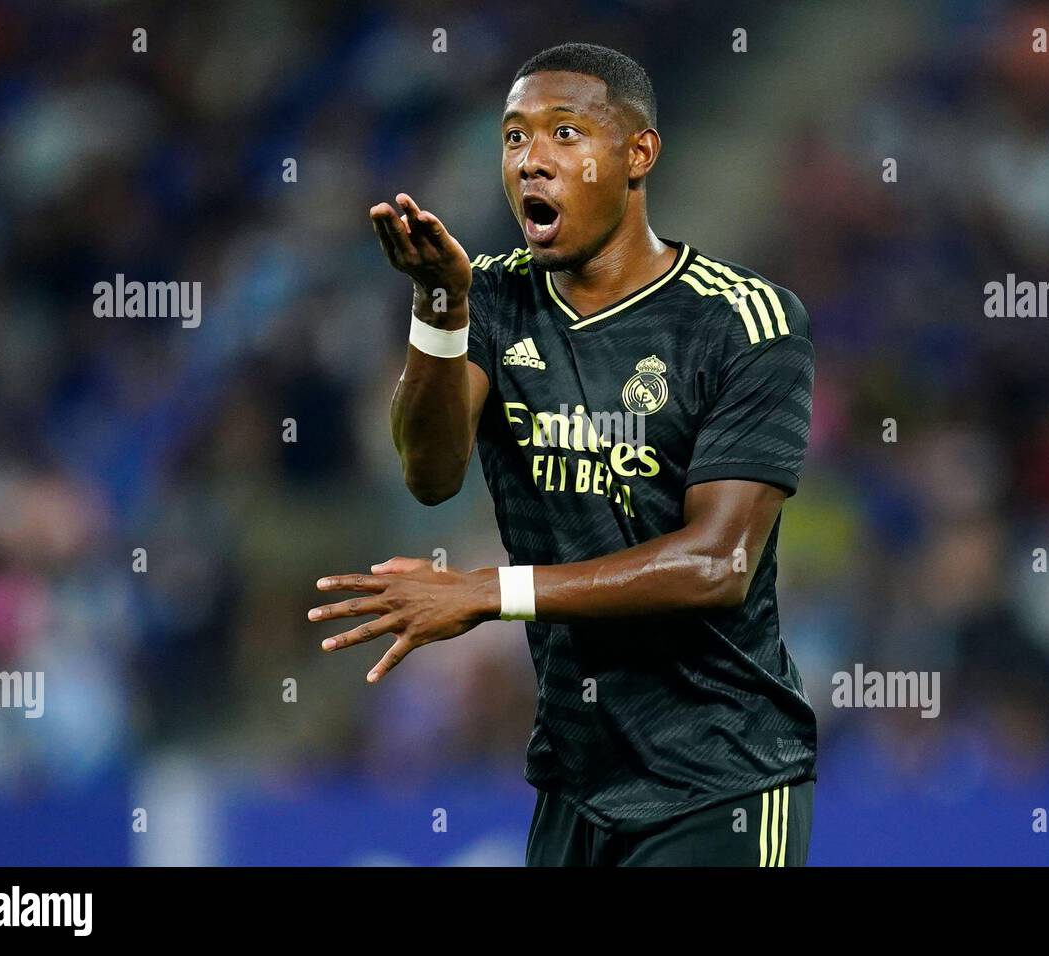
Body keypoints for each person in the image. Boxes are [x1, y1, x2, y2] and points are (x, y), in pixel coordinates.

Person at [309, 42, 817, 866]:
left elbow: (718, 562)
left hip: (723, 778)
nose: (532, 161)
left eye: (566, 133)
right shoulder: (498, 297)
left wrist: (489, 592)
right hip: (575, 780)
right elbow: (432, 477)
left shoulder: (745, 321)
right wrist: (440, 307)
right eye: (514, 138)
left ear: (638, 155)